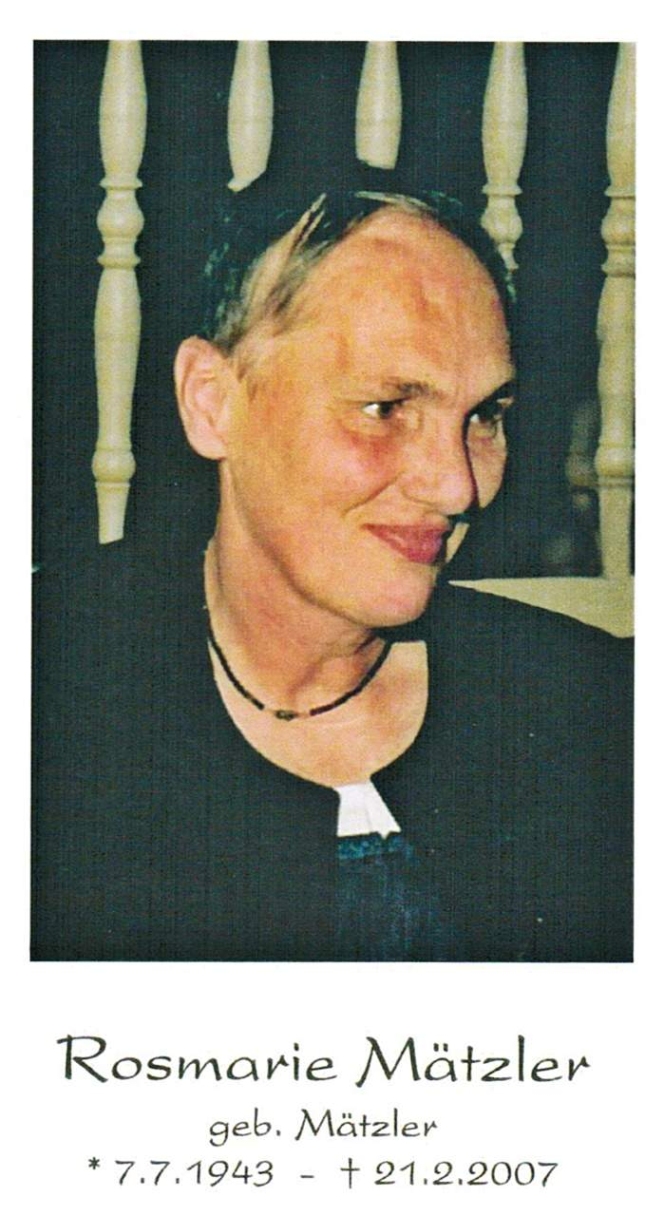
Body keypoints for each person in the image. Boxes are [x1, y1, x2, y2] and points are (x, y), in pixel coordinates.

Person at [32, 186, 632, 962]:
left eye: (484, 416)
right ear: (213, 404)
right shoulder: (49, 692)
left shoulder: (591, 710)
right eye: (385, 408)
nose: (457, 486)